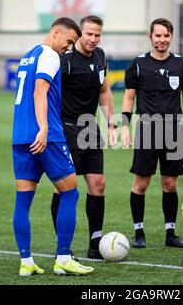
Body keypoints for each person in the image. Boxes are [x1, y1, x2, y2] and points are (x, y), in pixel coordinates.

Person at [11, 17, 94, 276]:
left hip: (20, 137)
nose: (69, 48)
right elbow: (39, 93)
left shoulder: (28, 55)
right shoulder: (49, 55)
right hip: (47, 137)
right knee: (70, 193)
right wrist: (44, 128)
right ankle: (63, 258)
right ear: (55, 32)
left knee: (23, 200)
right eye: (68, 41)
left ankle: (26, 262)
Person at [121, 18, 183, 249]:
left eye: (166, 36)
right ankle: (138, 233)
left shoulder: (181, 64)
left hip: (174, 130)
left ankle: (170, 233)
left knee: (170, 184)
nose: (162, 40)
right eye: (158, 36)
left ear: (171, 37)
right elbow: (128, 96)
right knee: (141, 184)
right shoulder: (138, 64)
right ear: (150, 37)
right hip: (146, 129)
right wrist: (125, 125)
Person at [50, 15, 117, 259]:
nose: (93, 39)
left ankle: (95, 243)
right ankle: (63, 247)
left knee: (98, 184)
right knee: (64, 189)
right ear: (80, 34)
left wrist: (111, 124)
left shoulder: (100, 56)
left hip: (90, 129)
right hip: (66, 129)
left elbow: (104, 90)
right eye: (89, 34)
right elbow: (49, 93)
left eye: (97, 35)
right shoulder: (65, 61)